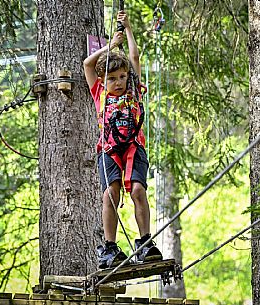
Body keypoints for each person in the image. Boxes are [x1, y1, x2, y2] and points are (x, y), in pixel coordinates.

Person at [83, 11, 162, 269]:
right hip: (108, 150)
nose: (118, 82)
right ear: (104, 80)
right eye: (112, 78)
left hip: (134, 147)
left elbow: (135, 57)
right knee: (110, 195)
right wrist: (109, 47)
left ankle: (145, 242)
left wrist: (127, 29)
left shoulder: (133, 89)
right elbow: (87, 64)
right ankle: (109, 247)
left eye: (122, 77)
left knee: (138, 190)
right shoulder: (99, 92)